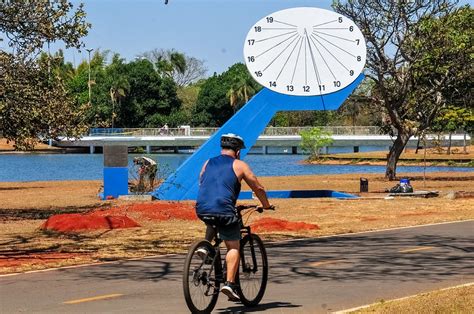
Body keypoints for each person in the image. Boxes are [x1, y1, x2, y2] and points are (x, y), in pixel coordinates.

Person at [195, 133, 273, 301]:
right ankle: (229, 284)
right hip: (224, 209)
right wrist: (266, 205)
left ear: (222, 149)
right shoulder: (239, 165)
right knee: (233, 246)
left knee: (213, 220)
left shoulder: (208, 162)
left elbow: (201, 180)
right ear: (237, 151)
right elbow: (258, 187)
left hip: (202, 207)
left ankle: (206, 246)